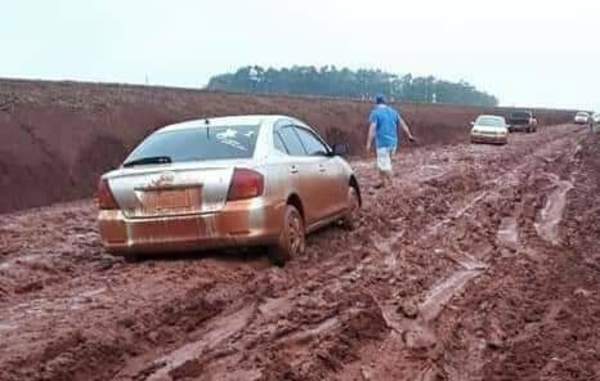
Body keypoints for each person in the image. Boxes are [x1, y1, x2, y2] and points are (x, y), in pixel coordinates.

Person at [365, 94, 415, 188]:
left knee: (385, 165)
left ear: (376, 102)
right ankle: (383, 183)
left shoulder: (375, 113)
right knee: (382, 164)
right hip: (393, 143)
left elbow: (372, 129)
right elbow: (402, 123)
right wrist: (409, 135)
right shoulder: (393, 112)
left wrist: (368, 143)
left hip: (383, 144)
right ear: (385, 102)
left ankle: (392, 185)